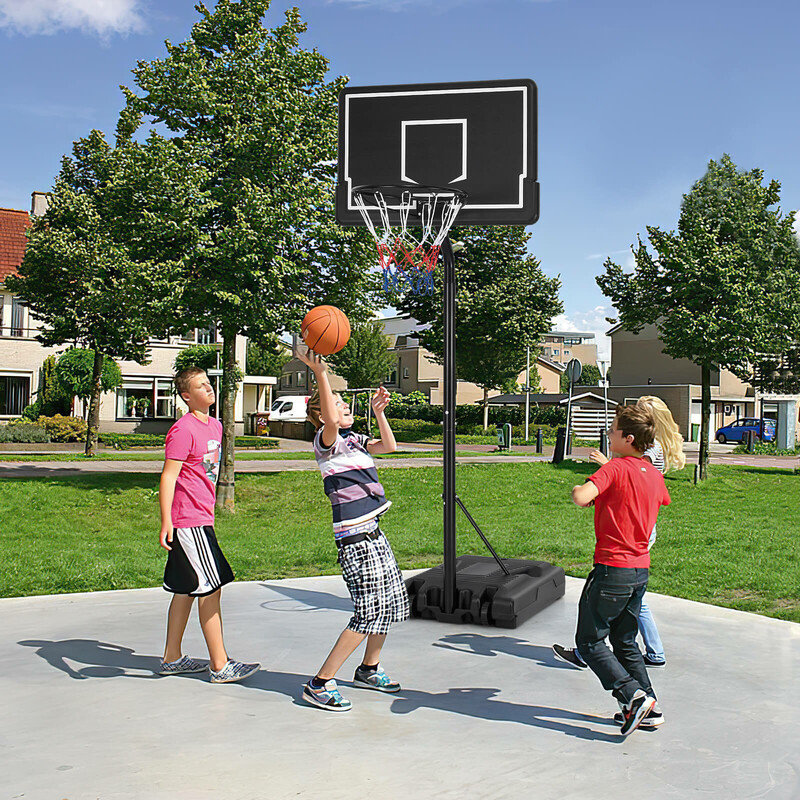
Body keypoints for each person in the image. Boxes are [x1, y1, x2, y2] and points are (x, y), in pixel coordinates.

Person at [296, 345, 409, 712]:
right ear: (321, 414)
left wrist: (379, 413)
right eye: (338, 403)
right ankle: (319, 683)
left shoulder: (354, 441)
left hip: (374, 533)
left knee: (390, 604)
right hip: (355, 540)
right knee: (367, 613)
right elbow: (330, 419)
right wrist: (321, 373)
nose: (345, 406)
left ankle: (369, 669)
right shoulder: (326, 443)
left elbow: (389, 446)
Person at [554, 405, 671, 736]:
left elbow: (581, 497)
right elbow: (656, 500)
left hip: (612, 569)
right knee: (625, 641)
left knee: (589, 641)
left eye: (613, 429)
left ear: (628, 438)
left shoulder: (615, 468)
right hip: (639, 571)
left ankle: (632, 696)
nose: (608, 434)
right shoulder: (653, 474)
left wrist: (587, 486)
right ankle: (650, 709)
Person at [157, 366, 260, 684]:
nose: (209, 388)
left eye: (208, 383)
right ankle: (220, 665)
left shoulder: (215, 425)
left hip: (202, 516)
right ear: (187, 396)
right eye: (201, 386)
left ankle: (172, 658)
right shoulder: (183, 430)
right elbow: (168, 476)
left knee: (185, 589)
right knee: (211, 589)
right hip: (189, 521)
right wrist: (166, 521)